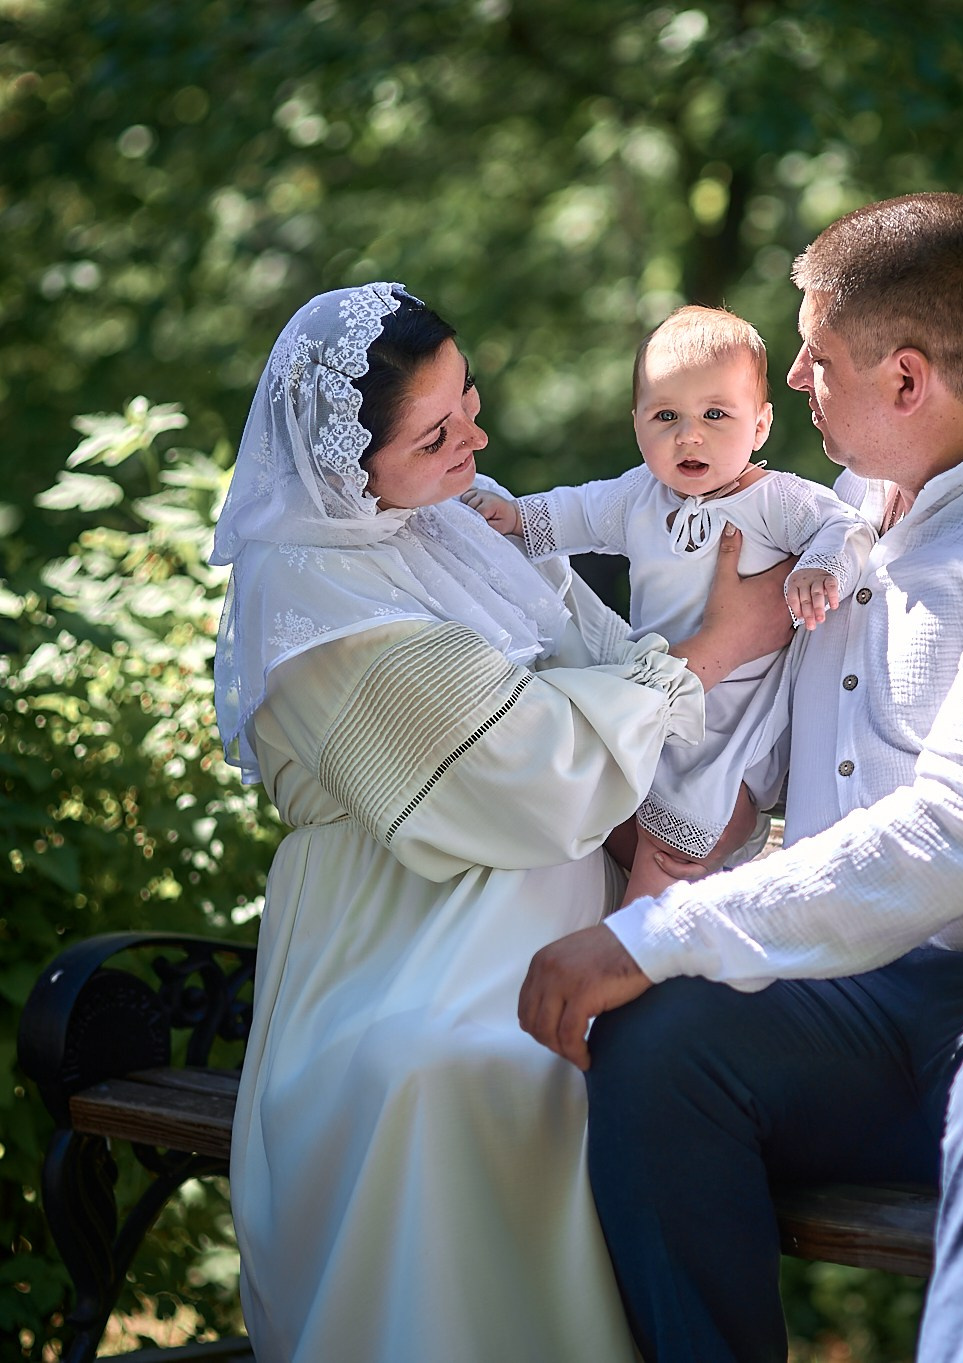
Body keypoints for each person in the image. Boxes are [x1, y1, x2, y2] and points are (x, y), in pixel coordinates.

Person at [518, 193, 963, 1362]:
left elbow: (953, 829)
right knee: (662, 1050)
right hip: (887, 992)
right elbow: (765, 714)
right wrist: (686, 818)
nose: (793, 370)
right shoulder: (845, 512)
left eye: (815, 352)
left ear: (906, 380)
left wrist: (660, 931)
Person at [212, 282, 793, 1362]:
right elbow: (520, 767)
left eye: (467, 399)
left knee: (661, 1059)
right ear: (348, 463)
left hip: (563, 908)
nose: (474, 436)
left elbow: (607, 662)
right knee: (460, 1072)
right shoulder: (305, 589)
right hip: (397, 938)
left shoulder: (460, 518)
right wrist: (717, 646)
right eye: (435, 432)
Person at [462, 305, 873, 905]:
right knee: (614, 817)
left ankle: (625, 954)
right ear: (637, 426)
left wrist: (819, 567)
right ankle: (649, 941)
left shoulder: (774, 501)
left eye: (715, 415)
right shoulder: (639, 496)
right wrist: (518, 517)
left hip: (732, 730)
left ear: (759, 426)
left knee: (673, 855)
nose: (690, 435)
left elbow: (845, 528)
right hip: (659, 707)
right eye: (666, 416)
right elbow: (577, 511)